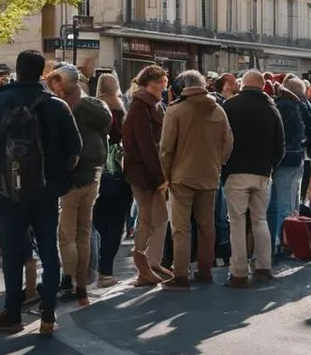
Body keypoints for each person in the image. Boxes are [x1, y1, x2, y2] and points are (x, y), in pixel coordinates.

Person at [0, 50, 83, 335]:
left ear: (17, 69)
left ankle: (12, 311)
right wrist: (57, 172)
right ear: (42, 73)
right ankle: (48, 313)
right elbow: (75, 147)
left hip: (10, 190)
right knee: (49, 248)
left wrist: (1, 170)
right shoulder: (57, 105)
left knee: (12, 251)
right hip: (46, 190)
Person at [160, 70, 234, 290]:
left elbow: (166, 149)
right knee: (207, 226)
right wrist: (217, 162)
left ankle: (181, 274)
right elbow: (228, 142)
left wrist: (167, 174)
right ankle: (205, 271)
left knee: (181, 228)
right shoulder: (218, 110)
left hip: (181, 175)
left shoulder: (176, 111)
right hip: (209, 174)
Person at [47, 64, 110, 305]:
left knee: (66, 235)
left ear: (62, 85)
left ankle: (69, 280)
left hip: (71, 177)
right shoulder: (95, 105)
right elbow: (107, 127)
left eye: (56, 84)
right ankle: (82, 285)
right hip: (93, 175)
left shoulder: (65, 108)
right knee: (84, 232)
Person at [221, 70, 284, 288]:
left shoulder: (230, 106)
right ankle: (264, 267)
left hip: (236, 171)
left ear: (242, 84)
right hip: (262, 172)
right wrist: (270, 167)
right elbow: (280, 145)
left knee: (237, 223)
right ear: (261, 86)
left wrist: (224, 166)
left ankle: (238, 272)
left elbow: (222, 139)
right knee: (260, 220)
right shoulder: (271, 108)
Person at [122, 65, 173, 286]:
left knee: (160, 218)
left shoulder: (153, 105)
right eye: (159, 82)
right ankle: (142, 263)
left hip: (151, 171)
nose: (163, 86)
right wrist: (160, 177)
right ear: (147, 84)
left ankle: (152, 262)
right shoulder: (140, 106)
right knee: (146, 218)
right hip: (144, 173)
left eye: (164, 82)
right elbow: (146, 146)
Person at [92, 73, 130, 287]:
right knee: (116, 223)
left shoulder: (94, 108)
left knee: (99, 220)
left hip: (98, 172)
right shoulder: (122, 110)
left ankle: (96, 265)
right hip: (120, 173)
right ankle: (106, 269)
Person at [269, 76, 311, 247]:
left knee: (282, 204)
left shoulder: (282, 106)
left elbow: (281, 136)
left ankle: (284, 242)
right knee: (293, 201)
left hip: (286, 159)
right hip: (298, 157)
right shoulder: (303, 105)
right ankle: (293, 238)